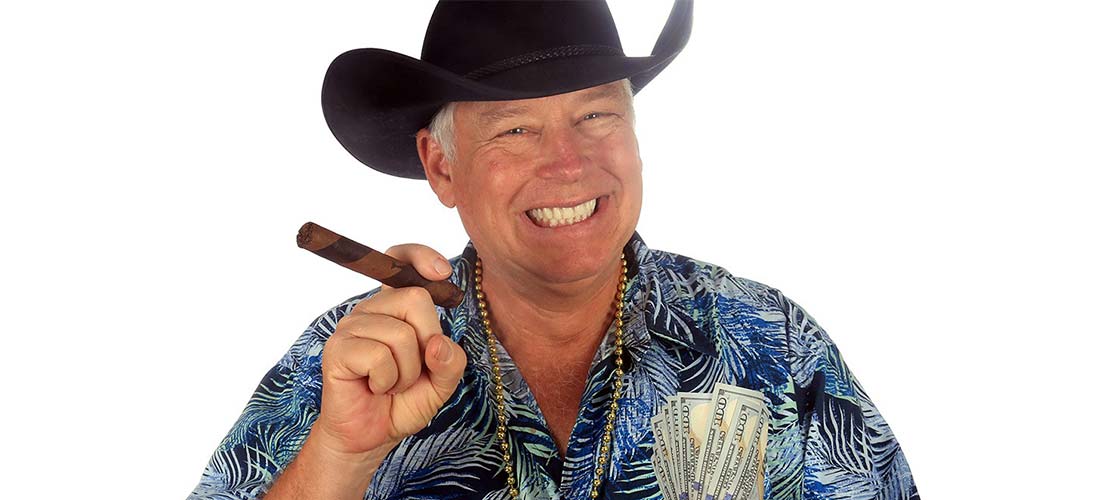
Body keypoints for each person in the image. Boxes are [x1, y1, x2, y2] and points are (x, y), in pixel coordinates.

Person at [189, 1, 918, 499]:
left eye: (596, 114)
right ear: (442, 167)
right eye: (515, 129)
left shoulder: (771, 342)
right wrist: (339, 457)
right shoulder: (345, 365)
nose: (568, 164)